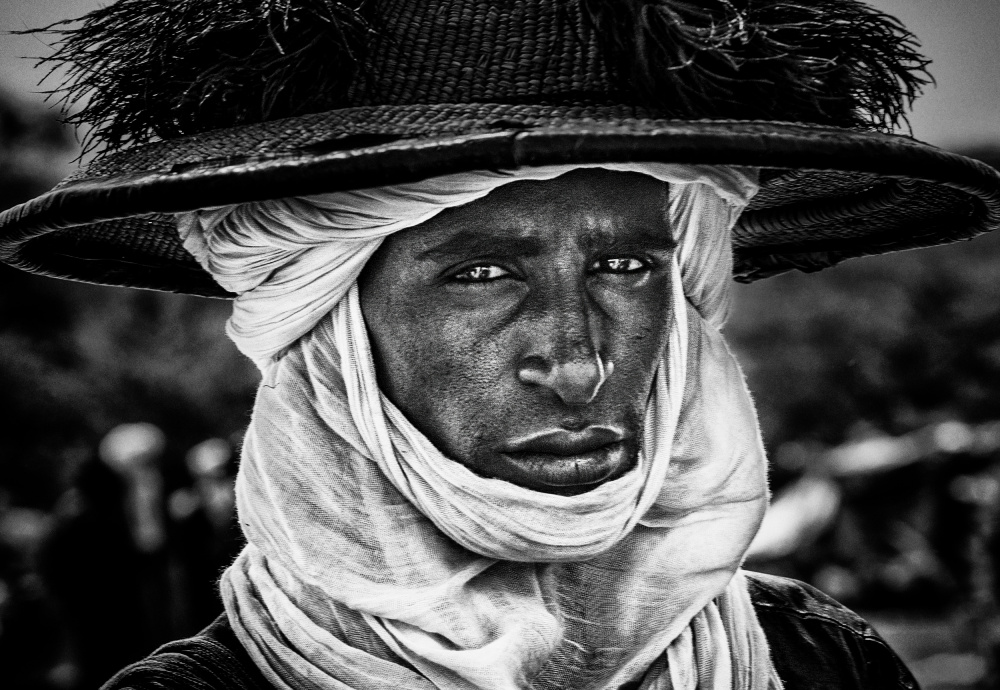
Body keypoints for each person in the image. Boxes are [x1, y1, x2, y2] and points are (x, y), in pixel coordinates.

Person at [3, 0, 999, 688]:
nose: (577, 360)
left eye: (626, 270)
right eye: (482, 274)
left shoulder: (820, 663)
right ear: (329, 327)